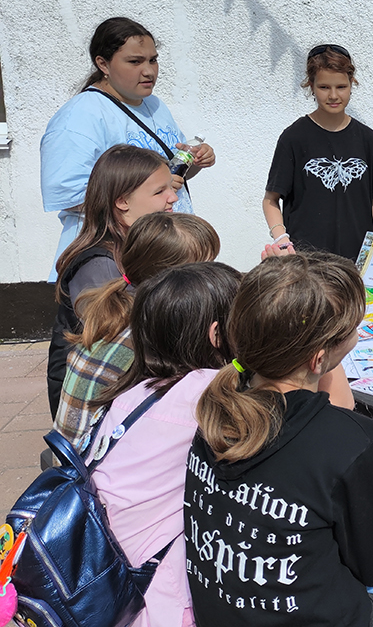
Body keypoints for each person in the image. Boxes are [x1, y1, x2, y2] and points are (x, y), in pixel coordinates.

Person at [186, 252, 373, 626]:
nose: (357, 336)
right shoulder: (349, 440)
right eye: (353, 329)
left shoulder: (215, 410)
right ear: (319, 359)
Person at [87, 261, 243, 627]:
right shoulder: (210, 392)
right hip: (153, 595)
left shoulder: (133, 393)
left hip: (103, 572)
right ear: (217, 334)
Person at [40, 16, 216, 279]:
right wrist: (146, 191)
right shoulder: (80, 117)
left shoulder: (155, 105)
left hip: (158, 254)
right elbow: (67, 193)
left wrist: (194, 161)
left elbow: (173, 175)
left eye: (153, 60)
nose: (149, 71)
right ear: (103, 64)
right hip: (110, 262)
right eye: (135, 62)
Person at [54, 212, 220, 449]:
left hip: (72, 453)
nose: (213, 275)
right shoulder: (150, 337)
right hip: (94, 462)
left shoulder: (117, 314)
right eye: (205, 267)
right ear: (172, 281)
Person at [45, 144, 178, 418]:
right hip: (95, 405)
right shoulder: (98, 266)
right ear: (122, 202)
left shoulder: (138, 248)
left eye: (172, 187)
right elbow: (118, 340)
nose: (173, 197)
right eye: (159, 192)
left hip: (127, 387)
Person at [263, 44, 373, 261]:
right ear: (311, 86)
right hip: (307, 261)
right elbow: (270, 200)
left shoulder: (367, 139)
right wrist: (282, 240)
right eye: (324, 87)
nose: (333, 95)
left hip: (356, 259)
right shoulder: (294, 137)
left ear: (352, 84)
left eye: (341, 86)